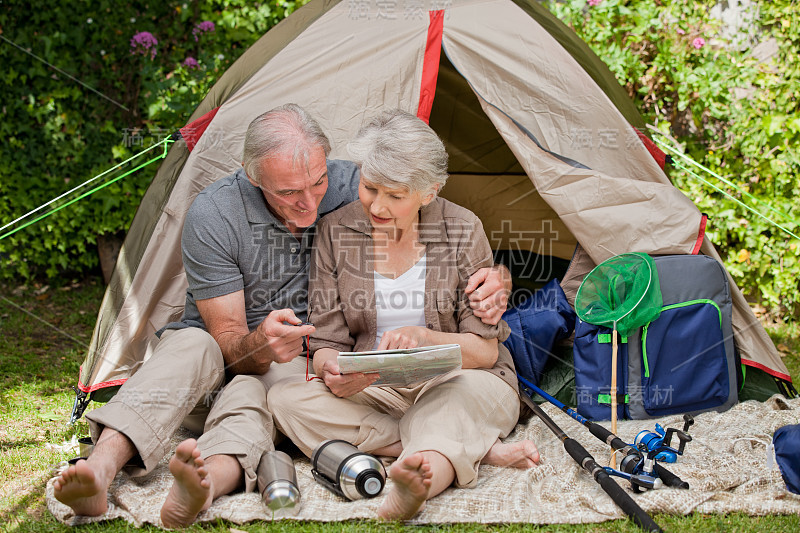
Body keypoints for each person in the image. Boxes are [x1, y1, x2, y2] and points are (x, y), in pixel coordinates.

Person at [53, 104, 512, 527]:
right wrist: (288, 353)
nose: (310, 203)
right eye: (289, 192)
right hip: (230, 355)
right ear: (254, 178)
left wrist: (500, 280)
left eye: (317, 184)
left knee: (270, 394)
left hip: (335, 370)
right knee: (231, 368)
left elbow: (476, 317)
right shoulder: (219, 214)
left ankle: (208, 484)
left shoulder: (367, 188)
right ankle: (99, 468)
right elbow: (245, 341)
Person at [268, 109, 539, 521]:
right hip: (376, 390)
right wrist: (333, 371)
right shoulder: (334, 231)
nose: (378, 206)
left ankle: (419, 483)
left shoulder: (463, 229)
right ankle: (471, 447)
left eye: (395, 196)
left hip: (460, 380)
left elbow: (484, 355)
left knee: (452, 400)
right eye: (370, 187)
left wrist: (425, 338)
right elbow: (325, 344)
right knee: (285, 399)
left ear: (428, 192)